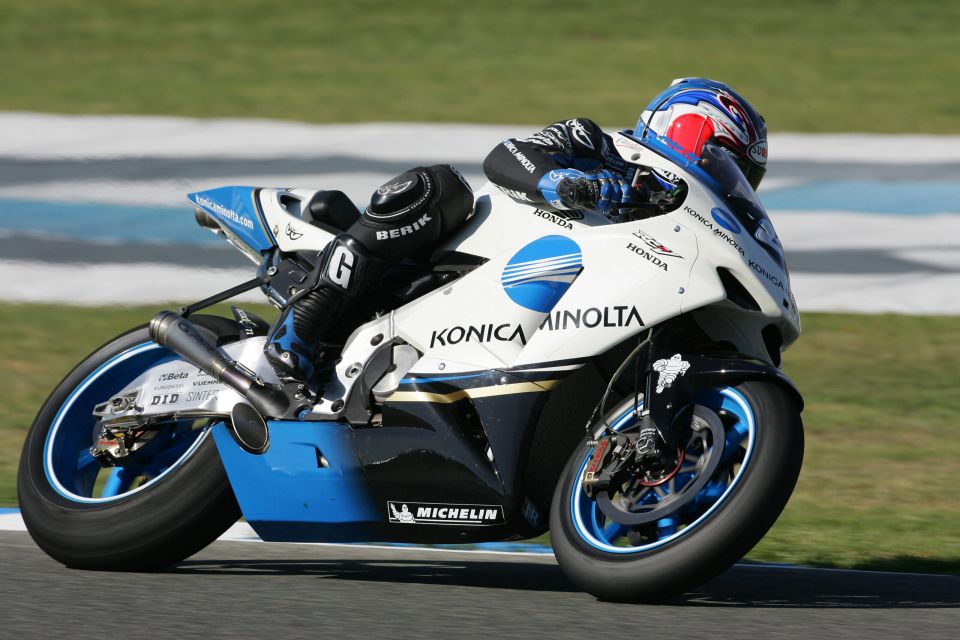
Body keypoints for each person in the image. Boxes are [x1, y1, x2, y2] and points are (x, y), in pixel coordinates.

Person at [263, 77, 768, 388]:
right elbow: (508, 156)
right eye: (725, 161)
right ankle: (305, 322)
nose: (730, 180)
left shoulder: (675, 210)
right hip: (468, 252)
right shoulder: (599, 143)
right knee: (438, 187)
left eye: (742, 176)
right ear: (689, 129)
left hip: (551, 297)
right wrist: (567, 183)